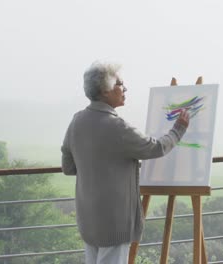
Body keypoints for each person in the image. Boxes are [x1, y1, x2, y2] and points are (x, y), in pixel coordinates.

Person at [61, 62, 189, 264]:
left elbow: (68, 167)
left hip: (88, 218)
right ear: (105, 90)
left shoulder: (77, 120)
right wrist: (178, 130)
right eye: (120, 84)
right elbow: (156, 148)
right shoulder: (116, 126)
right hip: (114, 220)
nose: (125, 89)